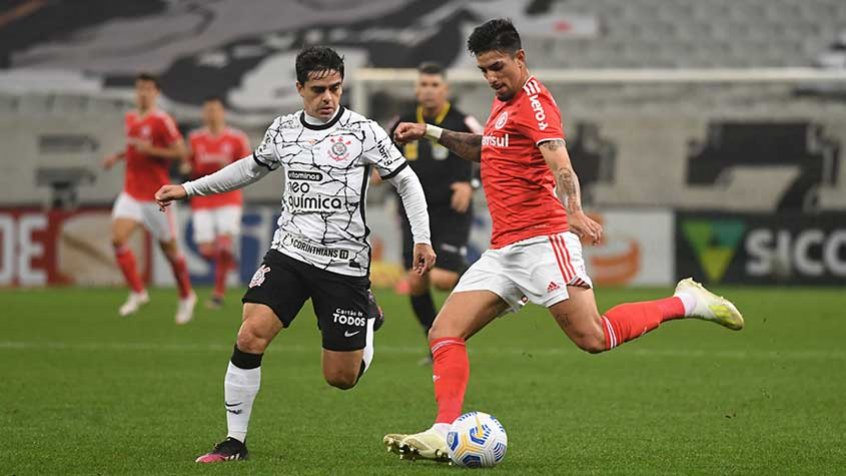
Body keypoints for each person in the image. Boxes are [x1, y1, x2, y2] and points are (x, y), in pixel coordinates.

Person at [383, 19, 745, 462]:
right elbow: (486, 148)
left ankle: (686, 302)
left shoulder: (535, 103)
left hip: (543, 242)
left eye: (497, 66)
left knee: (594, 337)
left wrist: (573, 209)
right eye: (483, 70)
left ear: (520, 58)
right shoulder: (503, 102)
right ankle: (443, 430)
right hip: (503, 251)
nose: (492, 77)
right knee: (444, 331)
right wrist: (430, 132)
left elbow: (562, 164)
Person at [155, 46, 436, 463]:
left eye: (336, 89)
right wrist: (188, 188)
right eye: (318, 90)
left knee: (340, 379)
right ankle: (234, 441)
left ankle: (368, 321)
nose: (328, 98)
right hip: (289, 251)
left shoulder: (364, 132)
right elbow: (248, 168)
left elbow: (407, 182)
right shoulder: (283, 130)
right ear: (299, 88)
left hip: (344, 264)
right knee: (250, 334)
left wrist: (422, 237)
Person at [388, 62, 483, 361]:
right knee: (416, 280)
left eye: (434, 85)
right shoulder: (402, 121)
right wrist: (378, 174)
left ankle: (487, 283)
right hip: (415, 214)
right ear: (417, 89)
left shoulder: (462, 121)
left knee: (442, 278)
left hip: (451, 211)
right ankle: (437, 340)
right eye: (424, 85)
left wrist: (472, 184)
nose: (428, 91)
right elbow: (384, 155)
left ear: (445, 89)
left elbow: (493, 154)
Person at [102, 73, 196, 324]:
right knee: (117, 238)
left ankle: (187, 296)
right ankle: (137, 292)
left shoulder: (162, 121)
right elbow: (134, 148)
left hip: (157, 197)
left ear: (156, 93)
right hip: (131, 193)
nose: (143, 93)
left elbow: (180, 151)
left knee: (170, 251)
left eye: (148, 89)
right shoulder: (131, 117)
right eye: (139, 88)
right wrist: (118, 157)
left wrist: (151, 150)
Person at [185, 97, 251, 309]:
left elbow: (248, 167)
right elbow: (187, 165)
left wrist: (227, 167)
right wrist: (187, 168)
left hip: (229, 198)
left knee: (223, 245)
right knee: (205, 251)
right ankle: (229, 260)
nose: (212, 114)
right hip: (202, 199)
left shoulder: (236, 138)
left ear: (223, 112)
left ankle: (218, 293)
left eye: (215, 110)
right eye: (208, 111)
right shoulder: (195, 138)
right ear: (204, 114)